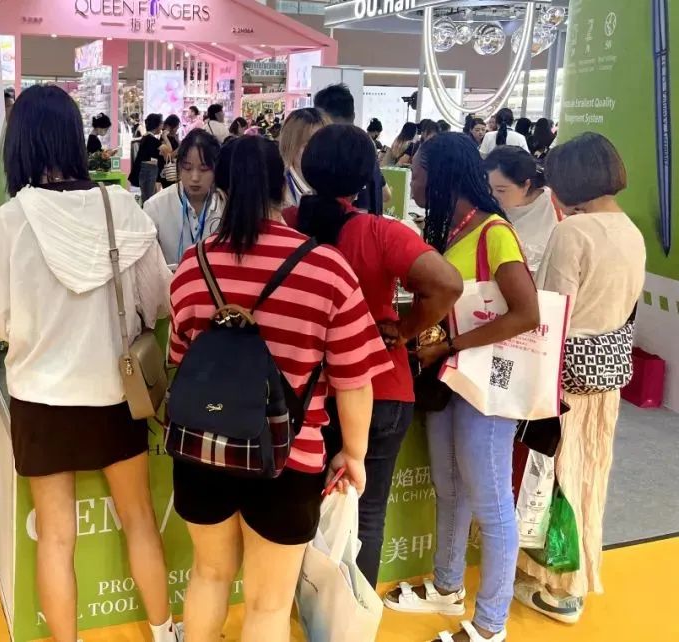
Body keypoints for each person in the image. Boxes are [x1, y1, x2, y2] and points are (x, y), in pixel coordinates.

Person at [0, 83, 180, 642]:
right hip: (117, 392)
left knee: (55, 535)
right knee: (139, 518)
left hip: (40, 398)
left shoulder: (9, 221)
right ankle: (164, 631)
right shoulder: (122, 207)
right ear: (74, 137)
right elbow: (160, 300)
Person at [169, 135, 392, 642]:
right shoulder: (325, 268)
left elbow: (180, 359)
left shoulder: (193, 264)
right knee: (268, 605)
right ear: (285, 185)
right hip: (289, 457)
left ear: (222, 188)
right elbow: (354, 378)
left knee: (208, 575)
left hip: (202, 449)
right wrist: (354, 454)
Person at [385, 133, 540, 642]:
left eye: (419, 171)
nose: (413, 180)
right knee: (449, 486)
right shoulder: (451, 230)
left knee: (492, 501)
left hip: (484, 386)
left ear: (443, 175)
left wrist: (452, 345)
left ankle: (491, 624)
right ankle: (447, 585)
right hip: (448, 381)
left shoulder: (495, 232)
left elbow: (527, 312)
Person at [295, 124, 463, 587]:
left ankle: (294, 606)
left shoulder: (288, 225)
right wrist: (404, 331)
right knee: (366, 516)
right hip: (379, 388)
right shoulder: (379, 232)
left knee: (298, 512)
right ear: (366, 175)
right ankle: (350, 616)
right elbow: (447, 284)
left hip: (303, 391)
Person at [515, 133, 646, 624]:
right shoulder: (630, 230)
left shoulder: (573, 232)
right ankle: (571, 577)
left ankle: (560, 587)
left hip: (563, 377)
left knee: (555, 478)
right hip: (605, 377)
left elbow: (548, 314)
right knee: (588, 475)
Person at [144, 128, 222, 266]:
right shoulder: (155, 207)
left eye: (203, 169)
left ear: (216, 169)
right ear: (179, 167)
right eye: (187, 168)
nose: (195, 177)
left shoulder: (226, 206)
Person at [313, 83, 389, 215]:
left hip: (348, 224)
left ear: (321, 118)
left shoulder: (332, 150)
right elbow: (385, 193)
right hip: (372, 223)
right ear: (353, 115)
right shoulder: (367, 145)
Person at [484, 146, 560, 273]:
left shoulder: (556, 204)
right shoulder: (486, 208)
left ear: (526, 185)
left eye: (501, 190)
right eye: (488, 188)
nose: (492, 196)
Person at [278, 107, 323, 207]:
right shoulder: (277, 190)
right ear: (289, 145)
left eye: (325, 144)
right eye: (308, 145)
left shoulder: (334, 185)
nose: (319, 151)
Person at [129, 113, 165, 205]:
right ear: (157, 125)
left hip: (145, 172)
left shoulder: (147, 138)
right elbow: (168, 150)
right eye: (161, 123)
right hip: (148, 173)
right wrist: (165, 137)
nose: (162, 126)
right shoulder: (151, 140)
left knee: (147, 199)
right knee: (149, 201)